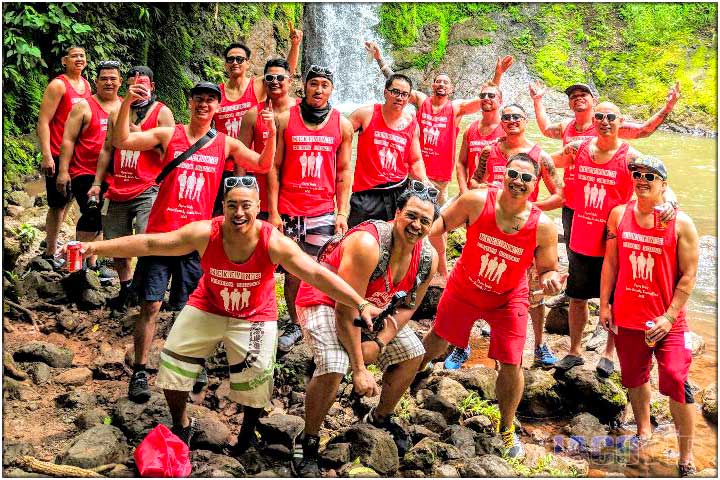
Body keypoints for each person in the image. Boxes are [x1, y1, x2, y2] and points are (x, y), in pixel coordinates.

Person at [64, 177, 382, 453]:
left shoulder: (275, 243)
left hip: (255, 315)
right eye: (232, 205)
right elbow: (150, 242)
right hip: (208, 305)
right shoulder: (206, 233)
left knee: (256, 384)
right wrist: (95, 249)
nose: (239, 213)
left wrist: (360, 302)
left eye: (246, 205)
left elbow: (315, 273)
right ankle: (182, 424)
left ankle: (246, 435)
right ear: (224, 207)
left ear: (258, 207)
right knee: (172, 366)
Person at [111, 80, 276, 403]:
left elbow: (262, 164)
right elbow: (122, 140)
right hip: (162, 236)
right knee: (151, 304)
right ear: (190, 102)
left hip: (199, 241)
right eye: (199, 99)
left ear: (217, 108)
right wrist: (127, 104)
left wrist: (271, 135)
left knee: (195, 307)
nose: (204, 105)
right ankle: (141, 370)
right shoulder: (168, 135)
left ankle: (193, 363)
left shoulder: (224, 142)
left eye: (210, 101)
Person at [421, 154, 567, 460]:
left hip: (508, 297)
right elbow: (439, 224)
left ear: (535, 184)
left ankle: (506, 427)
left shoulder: (543, 225)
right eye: (514, 174)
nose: (518, 182)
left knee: (511, 363)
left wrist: (552, 279)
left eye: (527, 178)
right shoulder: (475, 201)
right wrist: (410, 233)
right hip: (465, 286)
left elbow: (547, 268)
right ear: (504, 174)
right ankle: (411, 378)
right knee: (437, 339)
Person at [530, 81, 681, 370]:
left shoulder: (630, 156)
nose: (604, 122)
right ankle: (574, 351)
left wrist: (670, 202)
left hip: (615, 239)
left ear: (620, 122)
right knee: (576, 296)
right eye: (600, 117)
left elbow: (658, 179)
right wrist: (523, 163)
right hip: (581, 238)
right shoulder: (579, 147)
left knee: (614, 298)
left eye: (611, 117)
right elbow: (551, 161)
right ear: (594, 121)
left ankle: (608, 355)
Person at [292, 185, 439, 476]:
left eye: (425, 221)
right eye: (411, 216)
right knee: (335, 364)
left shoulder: (427, 258)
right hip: (325, 300)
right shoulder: (368, 244)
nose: (416, 225)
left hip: (374, 308)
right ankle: (307, 439)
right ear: (397, 213)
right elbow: (345, 309)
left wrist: (381, 342)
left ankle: (379, 418)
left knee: (414, 353)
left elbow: (409, 306)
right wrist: (359, 366)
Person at [366, 41, 513, 283]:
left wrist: (498, 75)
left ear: (451, 88)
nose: (441, 84)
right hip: (414, 175)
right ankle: (401, 265)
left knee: (436, 226)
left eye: (445, 81)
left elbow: (487, 100)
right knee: (406, 220)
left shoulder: (455, 108)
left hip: (440, 181)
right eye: (438, 80)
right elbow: (397, 85)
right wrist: (381, 59)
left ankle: (441, 271)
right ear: (432, 85)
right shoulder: (422, 100)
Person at [599, 155, 698, 477]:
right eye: (638, 174)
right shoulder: (618, 215)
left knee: (676, 379)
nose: (642, 179)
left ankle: (686, 454)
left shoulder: (680, 222)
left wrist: (669, 317)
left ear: (664, 184)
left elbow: (689, 275)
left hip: (668, 320)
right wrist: (604, 304)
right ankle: (643, 430)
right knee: (635, 379)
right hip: (627, 318)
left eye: (650, 176)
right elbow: (611, 263)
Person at [445, 105, 564, 370]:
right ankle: (460, 345)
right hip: (491, 229)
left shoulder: (539, 156)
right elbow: (475, 181)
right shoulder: (490, 151)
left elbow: (560, 194)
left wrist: (529, 209)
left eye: (516, 117)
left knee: (533, 292)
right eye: (507, 117)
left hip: (527, 233)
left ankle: (539, 344)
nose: (511, 121)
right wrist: (489, 194)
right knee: (475, 284)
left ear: (525, 121)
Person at [270, 65, 355, 352]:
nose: (319, 90)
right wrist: (273, 212)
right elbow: (274, 168)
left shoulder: (342, 125)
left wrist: (342, 213)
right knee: (294, 271)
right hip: (290, 209)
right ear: (304, 87)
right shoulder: (284, 120)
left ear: (332, 89)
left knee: (321, 270)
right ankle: (295, 322)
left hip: (322, 211)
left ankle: (318, 318)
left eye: (324, 85)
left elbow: (344, 173)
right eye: (313, 84)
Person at [88, 66, 175, 315]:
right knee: (117, 242)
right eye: (133, 85)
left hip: (149, 186)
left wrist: (142, 137)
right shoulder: (117, 111)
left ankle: (143, 288)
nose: (138, 89)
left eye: (143, 84)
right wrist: (96, 183)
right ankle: (126, 288)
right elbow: (107, 148)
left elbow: (170, 153)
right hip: (118, 186)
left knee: (148, 240)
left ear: (152, 87)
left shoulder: (162, 113)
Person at [212, 28, 303, 215]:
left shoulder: (257, 85)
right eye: (230, 59)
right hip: (223, 164)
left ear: (248, 63)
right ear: (225, 64)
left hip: (251, 161)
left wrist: (295, 45)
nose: (235, 62)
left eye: (240, 59)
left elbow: (283, 74)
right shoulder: (216, 95)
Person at [55, 60, 123, 280]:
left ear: (120, 82)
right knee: (91, 214)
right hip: (84, 171)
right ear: (96, 81)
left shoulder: (124, 107)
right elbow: (68, 140)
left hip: (114, 174)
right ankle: (78, 262)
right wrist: (63, 171)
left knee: (104, 217)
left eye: (113, 78)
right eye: (104, 78)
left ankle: (93, 264)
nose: (108, 82)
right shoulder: (83, 106)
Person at [346, 73, 428, 228]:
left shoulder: (412, 123)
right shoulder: (365, 114)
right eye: (395, 92)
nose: (399, 97)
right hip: (367, 193)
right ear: (385, 92)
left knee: (394, 241)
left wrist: (424, 181)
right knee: (356, 239)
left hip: (399, 192)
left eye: (404, 94)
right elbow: (338, 137)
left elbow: (415, 160)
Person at [37, 46, 93, 270]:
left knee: (70, 200)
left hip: (78, 156)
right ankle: (50, 251)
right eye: (74, 56)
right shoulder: (58, 85)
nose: (79, 59)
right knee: (58, 203)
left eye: (82, 56)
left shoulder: (87, 85)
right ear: (64, 61)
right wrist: (47, 155)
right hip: (58, 153)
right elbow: (43, 121)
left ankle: (57, 241)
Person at [238, 58, 302, 221]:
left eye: (280, 78)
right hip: (262, 197)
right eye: (269, 78)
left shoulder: (303, 111)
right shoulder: (253, 114)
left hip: (297, 198)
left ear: (290, 80)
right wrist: (240, 193)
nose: (275, 82)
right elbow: (241, 158)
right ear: (264, 81)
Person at [456, 81, 506, 195]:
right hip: (471, 192)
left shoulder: (506, 129)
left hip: (497, 194)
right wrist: (463, 190)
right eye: (483, 96)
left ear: (500, 101)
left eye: (491, 96)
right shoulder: (470, 129)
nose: (486, 98)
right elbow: (461, 163)